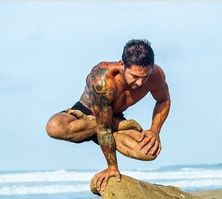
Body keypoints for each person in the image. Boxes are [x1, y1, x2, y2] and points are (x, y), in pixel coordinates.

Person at [46, 39, 171, 191]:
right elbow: (103, 128)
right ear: (122, 64)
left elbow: (163, 100)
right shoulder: (103, 79)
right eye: (135, 76)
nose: (140, 83)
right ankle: (118, 125)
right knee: (54, 127)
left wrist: (154, 131)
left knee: (149, 152)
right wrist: (112, 168)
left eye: (145, 76)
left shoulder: (156, 75)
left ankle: (117, 124)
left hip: (113, 117)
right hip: (86, 115)